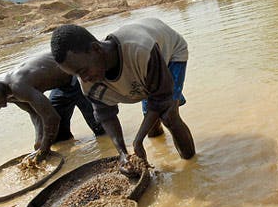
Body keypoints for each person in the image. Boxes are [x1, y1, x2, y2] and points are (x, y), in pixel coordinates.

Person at [50, 18, 196, 174]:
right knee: (151, 126)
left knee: (168, 115)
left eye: (83, 71)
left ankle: (192, 166)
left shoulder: (140, 49)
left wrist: (138, 140)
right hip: (143, 71)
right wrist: (122, 153)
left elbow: (161, 100)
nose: (83, 79)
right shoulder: (87, 81)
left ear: (96, 49)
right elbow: (106, 115)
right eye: (76, 75)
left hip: (170, 53)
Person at [0, 53, 105, 162]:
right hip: (61, 87)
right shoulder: (5, 93)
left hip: (76, 77)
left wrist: (44, 149)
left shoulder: (17, 85)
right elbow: (35, 113)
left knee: (100, 129)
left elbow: (51, 117)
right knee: (58, 138)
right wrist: (39, 141)